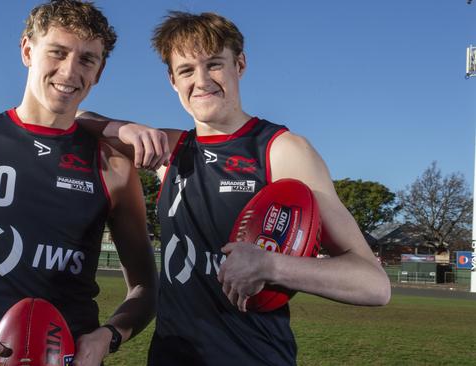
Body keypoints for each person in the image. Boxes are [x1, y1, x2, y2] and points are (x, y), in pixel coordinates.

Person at [80, 10, 391, 365]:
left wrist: (272, 266)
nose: (201, 80)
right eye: (186, 70)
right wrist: (122, 128)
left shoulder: (281, 149)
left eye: (214, 64)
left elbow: (373, 284)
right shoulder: (172, 150)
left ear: (239, 64)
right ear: (172, 81)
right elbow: (80, 120)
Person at [0, 2, 159, 366]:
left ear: (99, 71)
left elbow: (146, 287)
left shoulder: (113, 166)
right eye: (58, 52)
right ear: (27, 50)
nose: (69, 71)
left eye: (87, 59)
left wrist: (108, 336)